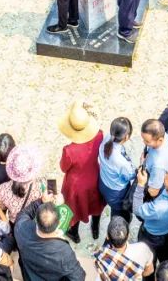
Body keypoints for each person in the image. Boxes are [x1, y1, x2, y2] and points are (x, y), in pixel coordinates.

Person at [58, 101, 105, 243]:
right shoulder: (99, 136)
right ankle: (95, 229)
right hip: (94, 177)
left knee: (75, 210)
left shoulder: (69, 150)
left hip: (76, 185)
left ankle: (74, 234)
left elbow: (63, 168)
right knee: (96, 205)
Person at [14, 198, 86, 280]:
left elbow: (23, 213)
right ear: (59, 223)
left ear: (36, 220)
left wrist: (40, 201)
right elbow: (79, 277)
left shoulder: (21, 228)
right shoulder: (63, 252)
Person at [93, 215, 155, 280]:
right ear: (128, 236)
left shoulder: (100, 256)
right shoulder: (142, 249)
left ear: (107, 237)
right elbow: (149, 271)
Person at [99, 117, 137, 223]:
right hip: (116, 193)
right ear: (127, 136)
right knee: (119, 214)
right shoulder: (121, 162)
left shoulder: (107, 138)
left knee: (115, 209)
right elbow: (130, 175)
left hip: (103, 182)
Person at [0, 145, 45, 224]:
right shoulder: (41, 187)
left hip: (14, 224)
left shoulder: (3, 189)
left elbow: (0, 208)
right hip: (30, 224)